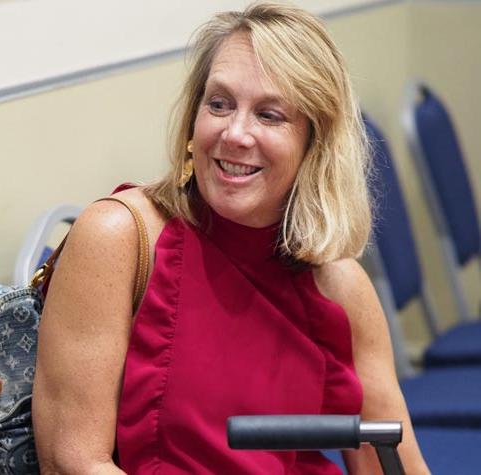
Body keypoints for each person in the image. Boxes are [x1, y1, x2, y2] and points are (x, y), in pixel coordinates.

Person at [32, 3, 429, 474]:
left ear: (314, 144)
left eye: (269, 114)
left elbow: (391, 463)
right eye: (219, 104)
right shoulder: (118, 238)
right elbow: (71, 462)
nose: (235, 133)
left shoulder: (339, 286)